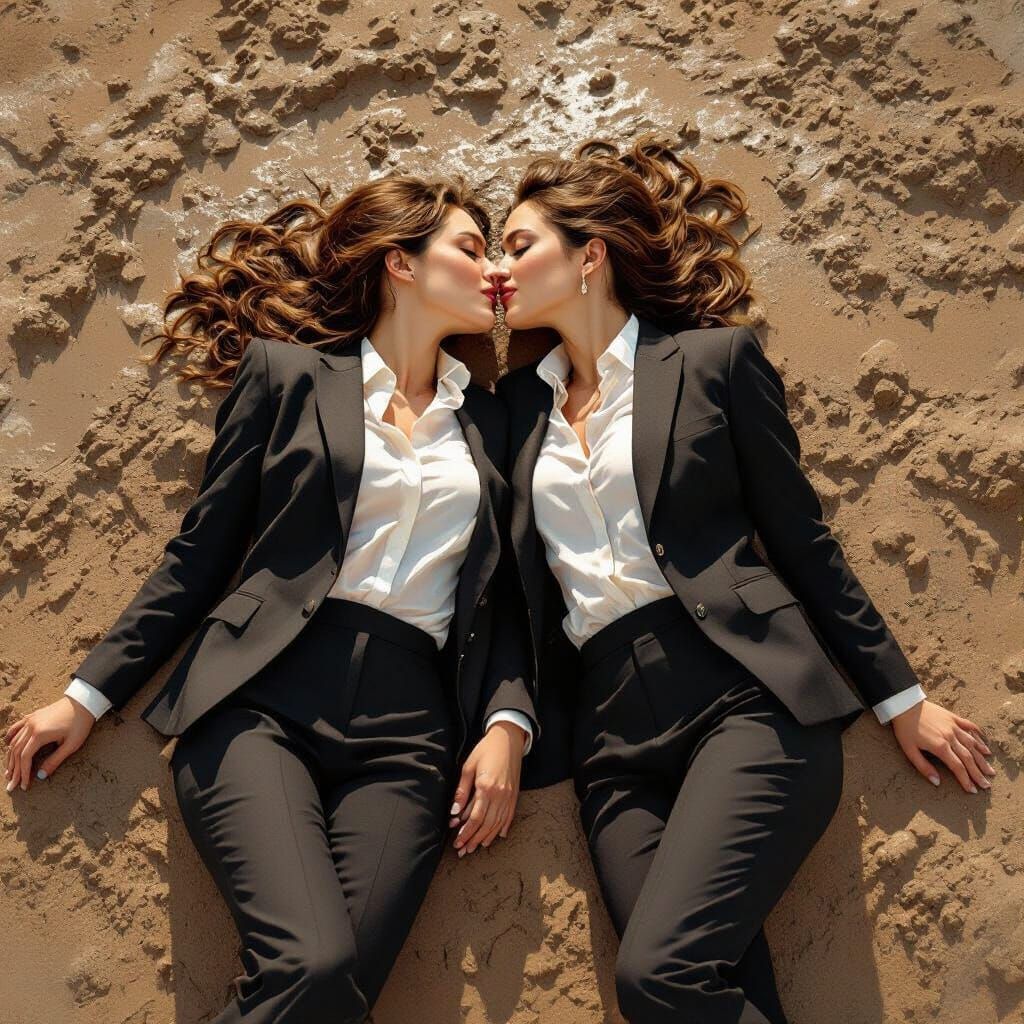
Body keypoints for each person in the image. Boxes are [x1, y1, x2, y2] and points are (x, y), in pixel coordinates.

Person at [4, 173, 538, 1023]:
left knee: (333, 992)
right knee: (317, 967)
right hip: (261, 706)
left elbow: (507, 598)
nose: (493, 274)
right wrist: (86, 696)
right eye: (470, 250)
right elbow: (200, 557)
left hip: (409, 735)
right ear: (400, 264)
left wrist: (507, 725)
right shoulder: (288, 380)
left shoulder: (497, 421)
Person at [494, 135, 995, 1023]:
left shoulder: (713, 363)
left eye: (521, 242)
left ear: (590, 256)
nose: (503, 264)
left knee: (658, 976)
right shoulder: (515, 408)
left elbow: (803, 542)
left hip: (746, 701)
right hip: (615, 749)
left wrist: (899, 697)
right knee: (702, 987)